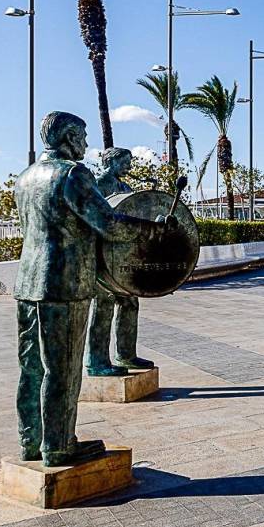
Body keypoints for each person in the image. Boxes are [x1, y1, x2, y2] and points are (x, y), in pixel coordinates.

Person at [13, 112, 170, 467]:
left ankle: (31, 441)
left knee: (31, 368)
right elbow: (108, 224)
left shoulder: (26, 177)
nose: (86, 144)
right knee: (63, 369)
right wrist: (150, 229)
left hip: (27, 283)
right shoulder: (72, 174)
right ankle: (58, 446)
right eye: (82, 137)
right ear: (69, 137)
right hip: (64, 283)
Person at [85, 147, 155, 378]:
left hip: (122, 257)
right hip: (102, 258)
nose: (129, 167)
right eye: (124, 162)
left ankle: (126, 354)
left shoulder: (124, 187)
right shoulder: (98, 185)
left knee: (130, 302)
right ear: (110, 162)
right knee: (103, 307)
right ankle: (96, 361)